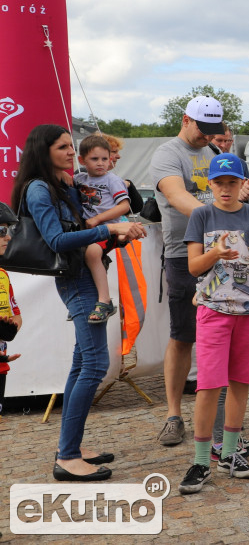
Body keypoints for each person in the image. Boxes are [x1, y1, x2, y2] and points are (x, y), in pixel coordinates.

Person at [14, 124, 146, 481]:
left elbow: (84, 228)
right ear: (44, 151)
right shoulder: (40, 189)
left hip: (86, 277)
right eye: (63, 147)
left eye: (72, 147)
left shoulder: (64, 185)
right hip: (77, 283)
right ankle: (68, 458)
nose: (72, 152)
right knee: (94, 366)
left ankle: (69, 446)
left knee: (80, 365)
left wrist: (118, 232)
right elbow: (58, 240)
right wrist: (110, 229)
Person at [151, 96, 249, 448]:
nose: (208, 137)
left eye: (214, 131)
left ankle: (222, 426)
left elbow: (230, 194)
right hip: (185, 253)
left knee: (227, 339)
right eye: (202, 129)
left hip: (224, 253)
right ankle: (174, 415)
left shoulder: (212, 152)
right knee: (183, 336)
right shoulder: (168, 153)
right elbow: (177, 195)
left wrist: (239, 200)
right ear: (185, 119)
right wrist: (218, 220)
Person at [177, 152, 249, 494]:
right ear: (210, 184)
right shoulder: (201, 215)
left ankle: (232, 454)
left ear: (242, 184)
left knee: (240, 383)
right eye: (219, 183)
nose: (225, 188)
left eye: (232, 182)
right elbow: (194, 267)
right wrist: (215, 254)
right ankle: (201, 460)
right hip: (214, 311)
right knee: (208, 386)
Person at [74, 134, 130, 324]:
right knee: (81, 255)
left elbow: (124, 206)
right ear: (82, 160)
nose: (100, 163)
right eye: (94, 159)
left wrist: (98, 218)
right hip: (91, 231)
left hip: (109, 228)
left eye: (104, 159)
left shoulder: (112, 180)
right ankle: (82, 300)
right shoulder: (79, 178)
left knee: (91, 253)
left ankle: (105, 300)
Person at [0, 202, 22, 417]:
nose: (8, 237)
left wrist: (9, 330)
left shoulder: (3, 275)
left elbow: (16, 315)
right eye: (1, 231)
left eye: (9, 231)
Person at [101, 133, 144, 214]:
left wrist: (128, 184)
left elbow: (136, 207)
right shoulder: (82, 176)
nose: (118, 156)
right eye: (114, 152)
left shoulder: (112, 179)